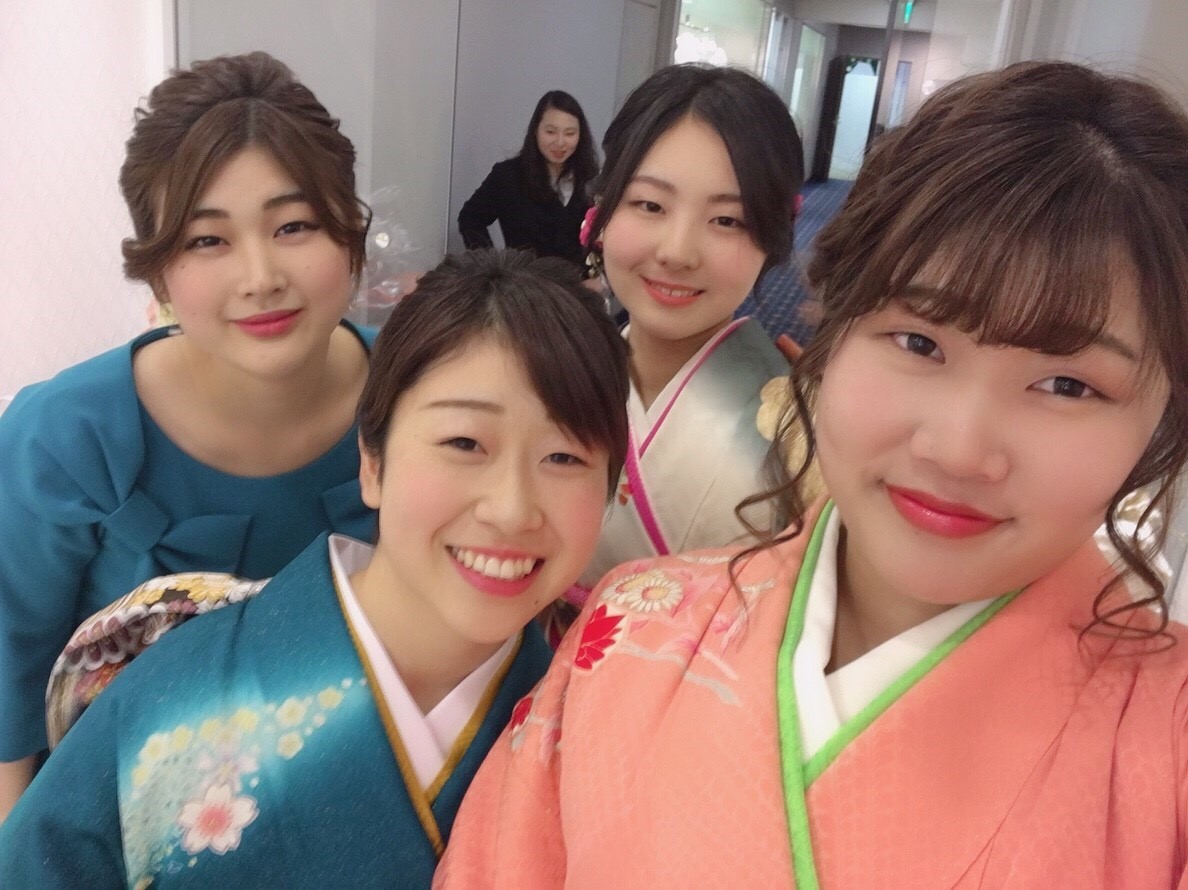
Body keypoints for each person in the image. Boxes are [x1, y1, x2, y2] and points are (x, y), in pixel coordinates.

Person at [435, 62, 1188, 887]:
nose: (958, 450)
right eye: (919, 342)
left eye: (1068, 385)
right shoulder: (626, 624)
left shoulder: (1166, 749)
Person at [0, 249, 631, 887]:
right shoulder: (176, 698)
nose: (512, 509)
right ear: (372, 463)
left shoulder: (598, 737)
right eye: (464, 443)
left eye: (565, 458)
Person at [0, 52, 385, 819]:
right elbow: (9, 685)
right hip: (120, 822)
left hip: (368, 806)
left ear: (349, 234)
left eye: (294, 225)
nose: (260, 275)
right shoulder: (64, 438)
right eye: (208, 240)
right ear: (158, 271)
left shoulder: (421, 394)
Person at [572, 64, 808, 599]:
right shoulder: (558, 374)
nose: (677, 252)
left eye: (727, 220)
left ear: (772, 236)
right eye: (650, 205)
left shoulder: (803, 428)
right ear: (602, 213)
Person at [458, 90, 598, 267]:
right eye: (550, 132)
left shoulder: (591, 180)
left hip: (576, 283)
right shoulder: (508, 176)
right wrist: (492, 268)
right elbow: (470, 219)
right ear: (536, 130)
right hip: (525, 282)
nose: (560, 142)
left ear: (580, 136)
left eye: (570, 133)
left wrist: (596, 275)